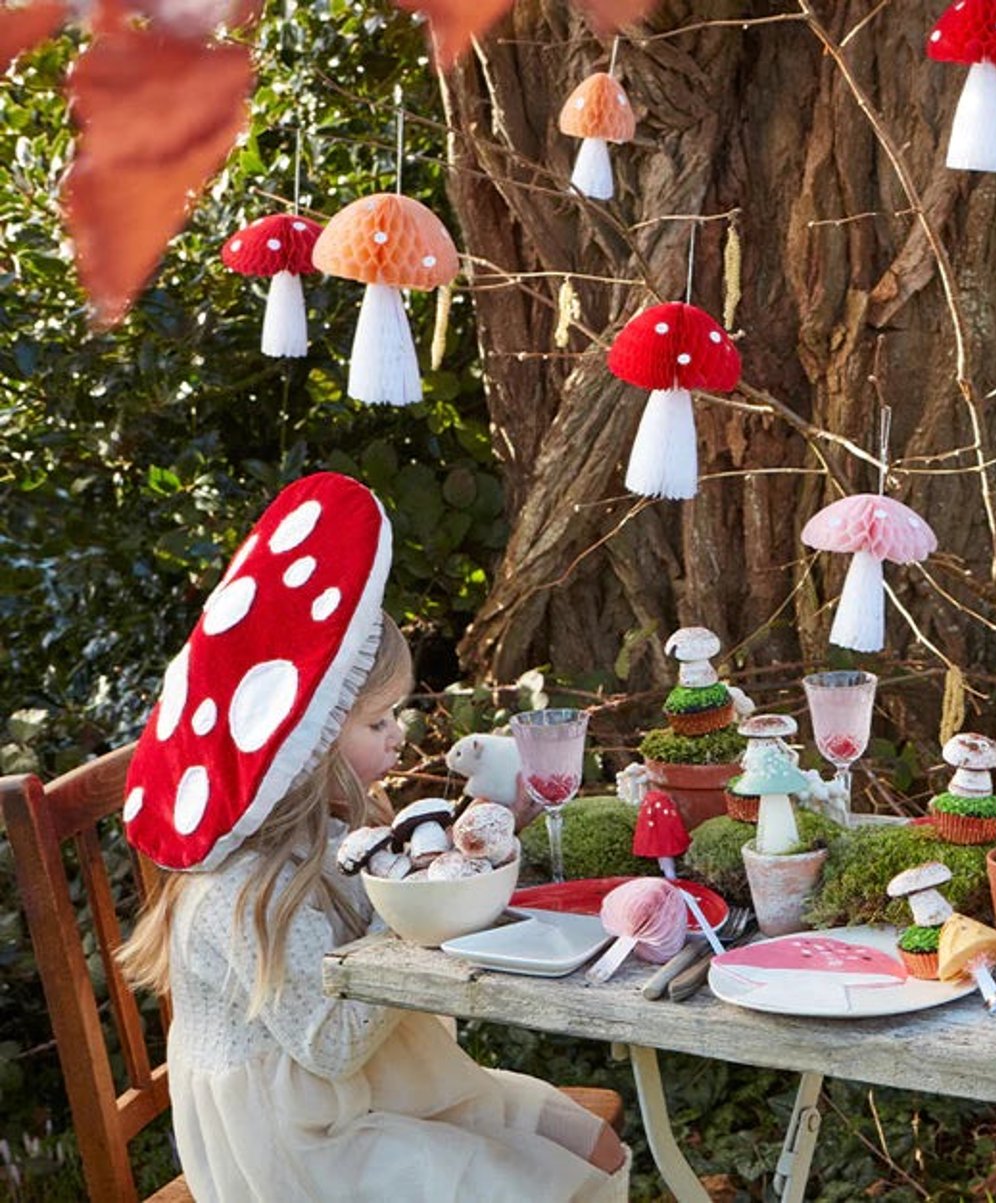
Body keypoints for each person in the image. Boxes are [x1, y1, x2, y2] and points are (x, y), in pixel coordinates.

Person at [118, 472, 628, 1201]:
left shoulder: (327, 836)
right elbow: (329, 1045)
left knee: (594, 1144)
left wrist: (476, 850)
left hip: (372, 1093)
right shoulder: (247, 888)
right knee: (543, 1183)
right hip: (297, 1146)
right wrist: (413, 924)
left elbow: (391, 902)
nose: (398, 738)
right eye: (378, 721)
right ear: (309, 741)